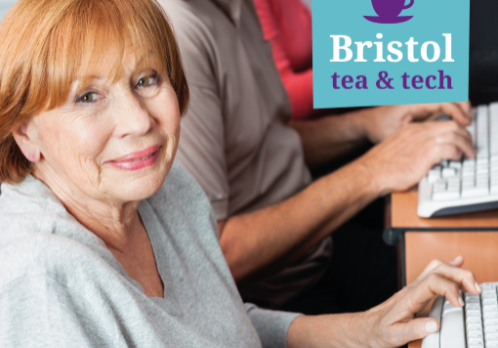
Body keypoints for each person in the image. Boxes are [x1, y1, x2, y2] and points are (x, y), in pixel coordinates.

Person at [0, 0, 483, 347]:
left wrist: (363, 329)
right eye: (88, 97)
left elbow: (223, 325)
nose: (140, 122)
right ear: (25, 134)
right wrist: (376, 164)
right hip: (302, 275)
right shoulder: (44, 283)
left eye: (147, 80)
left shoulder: (164, 188)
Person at [162, 0, 476, 314]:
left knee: (470, 275)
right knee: (466, 293)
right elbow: (217, 251)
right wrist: (376, 170)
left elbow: (267, 141)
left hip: (319, 247)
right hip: (280, 302)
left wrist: (366, 124)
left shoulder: (235, 6)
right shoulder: (179, 32)